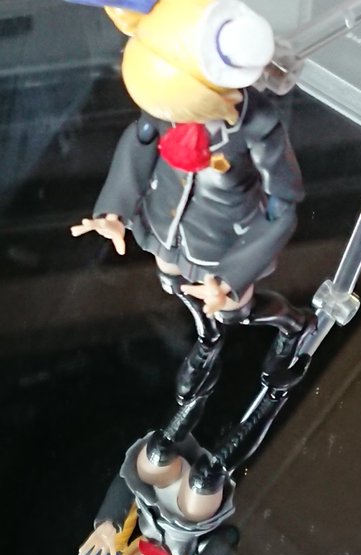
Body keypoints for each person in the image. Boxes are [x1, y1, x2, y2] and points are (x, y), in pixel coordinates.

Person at [70, 0, 309, 402]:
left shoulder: (257, 128)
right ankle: (207, 339)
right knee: (173, 282)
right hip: (166, 222)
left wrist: (232, 275)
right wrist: (115, 210)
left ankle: (293, 324)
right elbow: (141, 140)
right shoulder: (169, 103)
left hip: (223, 238)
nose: (162, 115)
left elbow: (282, 207)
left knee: (233, 310)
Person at [78, 430, 239, 555]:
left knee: (149, 467)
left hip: (171, 471)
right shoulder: (189, 547)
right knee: (195, 508)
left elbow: (126, 481)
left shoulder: (146, 519)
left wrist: (109, 521)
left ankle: (168, 437)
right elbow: (229, 537)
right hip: (193, 504)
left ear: (129, 554)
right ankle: (207, 477)